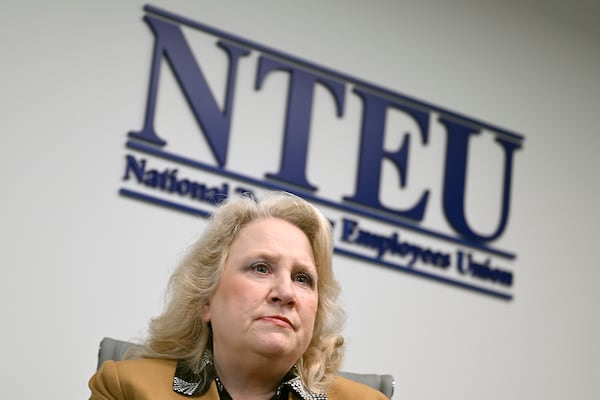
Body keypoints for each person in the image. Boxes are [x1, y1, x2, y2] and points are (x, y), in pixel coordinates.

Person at [89, 191, 388, 400]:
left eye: (302, 278)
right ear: (205, 298)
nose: (285, 293)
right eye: (261, 268)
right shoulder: (126, 388)